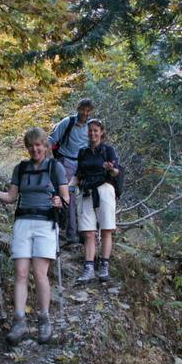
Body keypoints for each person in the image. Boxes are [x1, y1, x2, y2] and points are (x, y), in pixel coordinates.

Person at [0, 127, 69, 345]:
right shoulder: (20, 168)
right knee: (20, 272)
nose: (35, 149)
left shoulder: (55, 167)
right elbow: (11, 197)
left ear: (45, 146)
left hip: (45, 224)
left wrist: (60, 202)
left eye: (38, 145)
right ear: (27, 147)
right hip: (23, 222)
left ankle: (44, 319)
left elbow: (65, 197)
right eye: (31, 145)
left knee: (40, 273)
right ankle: (20, 320)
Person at [69, 118, 120, 283]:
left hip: (104, 190)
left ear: (101, 132)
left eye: (95, 130)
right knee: (88, 232)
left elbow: (116, 172)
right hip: (86, 192)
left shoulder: (108, 150)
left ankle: (104, 266)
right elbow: (78, 174)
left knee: (106, 229)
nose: (92, 133)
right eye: (90, 130)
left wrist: (110, 169)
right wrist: (67, 187)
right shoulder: (82, 152)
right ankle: (89, 268)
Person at [48, 98, 94, 244]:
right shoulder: (67, 122)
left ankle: (83, 234)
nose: (85, 113)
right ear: (77, 108)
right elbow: (51, 140)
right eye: (82, 109)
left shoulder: (90, 127)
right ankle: (70, 234)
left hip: (83, 166)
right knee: (69, 197)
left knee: (86, 198)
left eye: (88, 110)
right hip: (65, 163)